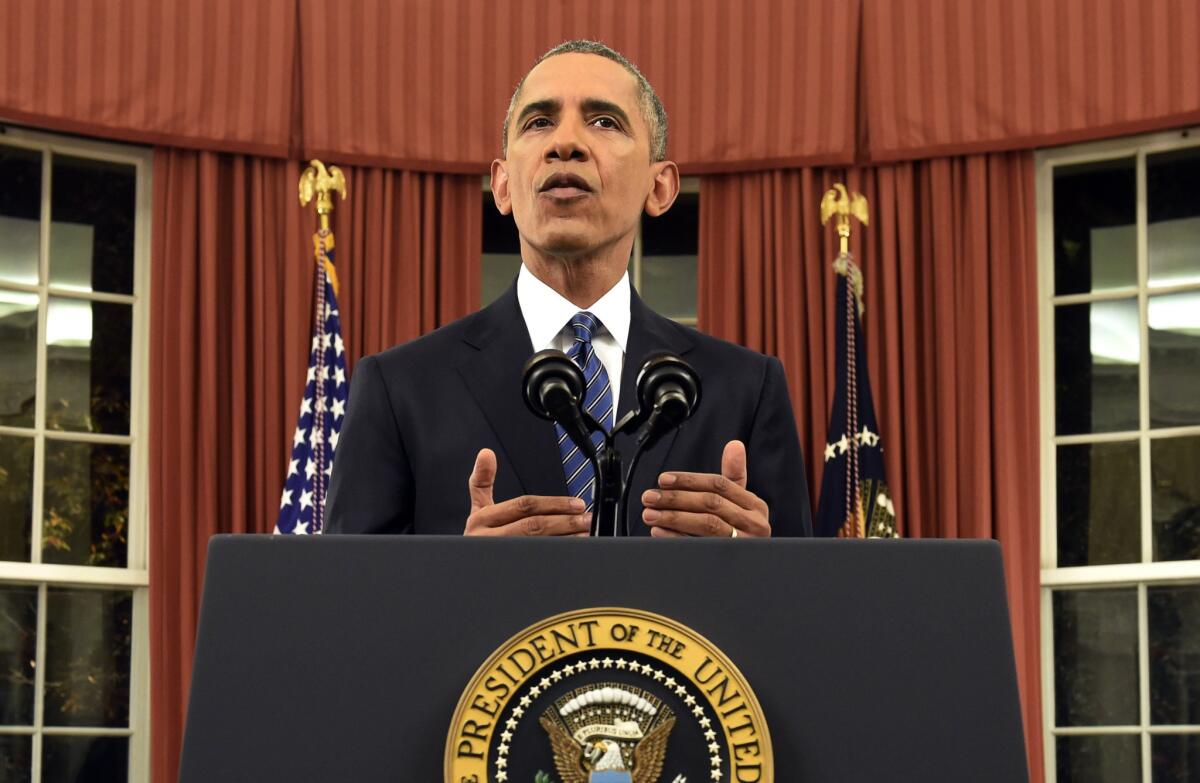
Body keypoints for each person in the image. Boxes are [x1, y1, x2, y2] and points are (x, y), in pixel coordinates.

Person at [326, 40, 811, 537]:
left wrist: (759, 571)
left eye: (604, 122)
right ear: (503, 186)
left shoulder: (747, 390)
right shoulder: (399, 388)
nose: (566, 144)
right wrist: (456, 581)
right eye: (539, 123)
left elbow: (804, 606)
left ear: (660, 187)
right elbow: (347, 604)